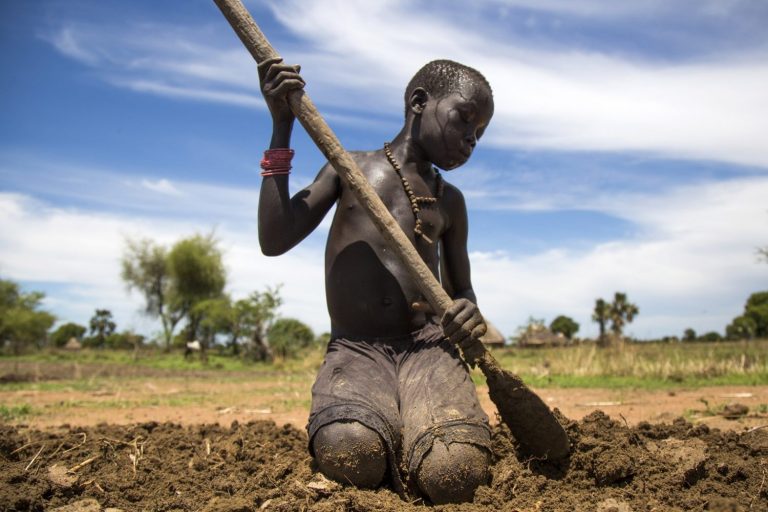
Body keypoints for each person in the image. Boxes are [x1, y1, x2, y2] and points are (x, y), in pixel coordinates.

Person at [257, 57, 494, 504]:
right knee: (352, 453)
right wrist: (281, 126)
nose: (470, 140)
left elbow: (462, 290)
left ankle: (418, 424)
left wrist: (468, 309)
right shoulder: (349, 169)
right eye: (465, 119)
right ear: (419, 102)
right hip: (357, 349)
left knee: (455, 471)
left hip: (428, 350)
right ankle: (387, 422)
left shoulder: (451, 201)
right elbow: (275, 238)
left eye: (479, 134)